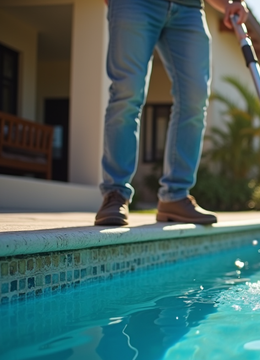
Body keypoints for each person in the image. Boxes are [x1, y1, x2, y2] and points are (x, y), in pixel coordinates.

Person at [95, 0, 249, 226]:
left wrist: (229, 3)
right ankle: (115, 194)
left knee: (194, 100)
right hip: (135, 4)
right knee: (127, 92)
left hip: (188, 9)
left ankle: (175, 196)